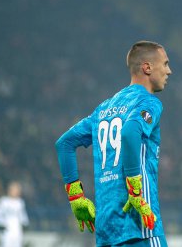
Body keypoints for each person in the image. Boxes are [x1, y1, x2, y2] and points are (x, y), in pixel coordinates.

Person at [55, 40, 172, 247]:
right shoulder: (148, 102)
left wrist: (76, 196)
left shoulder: (103, 109)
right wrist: (135, 190)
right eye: (165, 64)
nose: (169, 71)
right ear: (147, 67)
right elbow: (129, 133)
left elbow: (64, 144)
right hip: (139, 223)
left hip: (107, 230)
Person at [0, 181, 29, 247]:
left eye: (18, 190)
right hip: (7, 231)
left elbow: (23, 216)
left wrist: (25, 224)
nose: (17, 192)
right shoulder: (3, 201)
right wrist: (2, 223)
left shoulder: (20, 202)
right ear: (10, 190)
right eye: (15, 189)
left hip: (18, 231)